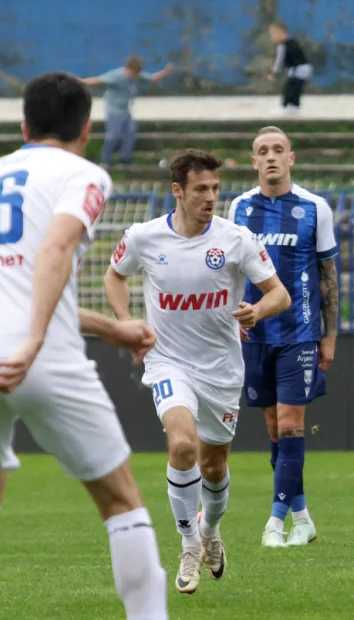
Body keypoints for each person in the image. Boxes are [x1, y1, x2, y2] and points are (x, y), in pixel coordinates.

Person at [0, 72, 168, 620]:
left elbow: (6, 283)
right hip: (39, 355)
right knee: (121, 500)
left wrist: (113, 328)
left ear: (23, 125)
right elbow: (55, 251)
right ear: (87, 129)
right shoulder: (82, 173)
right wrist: (34, 340)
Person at [105, 149, 291, 593]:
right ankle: (188, 543)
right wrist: (127, 322)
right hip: (168, 361)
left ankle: (209, 532)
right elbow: (115, 276)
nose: (211, 197)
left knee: (213, 466)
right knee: (182, 444)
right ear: (178, 191)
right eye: (201, 189)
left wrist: (257, 311)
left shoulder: (236, 239)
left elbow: (279, 294)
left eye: (215, 188)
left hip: (222, 369)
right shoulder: (144, 237)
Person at [227, 126, 339, 548]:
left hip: (300, 334)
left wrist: (329, 337)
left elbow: (328, 276)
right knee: (274, 429)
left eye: (278, 150)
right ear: (253, 161)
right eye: (262, 151)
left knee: (292, 423)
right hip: (253, 336)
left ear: (291, 158)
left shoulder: (314, 208)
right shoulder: (238, 208)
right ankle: (303, 518)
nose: (270, 157)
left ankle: (274, 524)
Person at [81, 56, 174, 166]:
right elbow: (98, 80)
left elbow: (153, 78)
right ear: (129, 69)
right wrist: (79, 81)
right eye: (134, 73)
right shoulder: (117, 76)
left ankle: (125, 158)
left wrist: (165, 72)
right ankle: (105, 160)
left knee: (130, 131)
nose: (135, 77)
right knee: (113, 135)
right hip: (114, 110)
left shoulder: (136, 76)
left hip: (125, 110)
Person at [268, 22, 312, 115]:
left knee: (289, 88)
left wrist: (274, 73)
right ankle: (295, 106)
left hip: (297, 70)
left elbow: (279, 62)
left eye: (273, 34)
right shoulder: (293, 42)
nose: (272, 37)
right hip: (305, 69)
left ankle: (284, 106)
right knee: (296, 88)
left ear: (281, 33)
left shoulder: (282, 46)